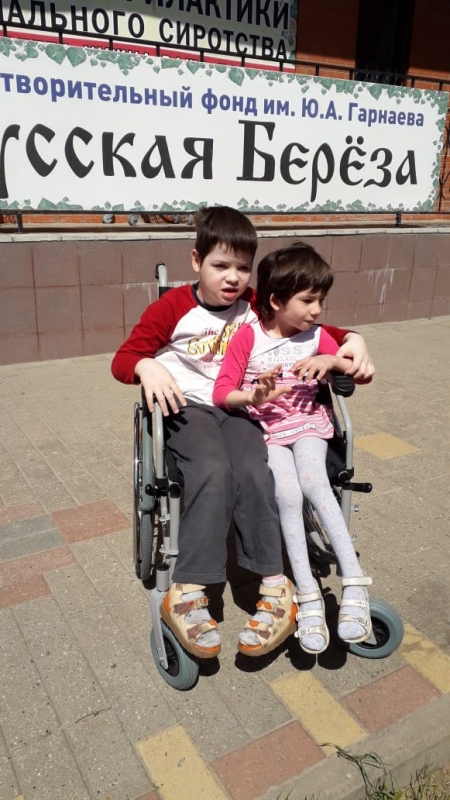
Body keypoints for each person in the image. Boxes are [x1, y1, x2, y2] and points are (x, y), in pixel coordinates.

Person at [111, 208, 374, 660]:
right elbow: (123, 359)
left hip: (240, 408)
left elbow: (308, 327)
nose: (232, 277)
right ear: (196, 261)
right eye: (220, 265)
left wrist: (353, 338)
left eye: (242, 267)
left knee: (257, 469)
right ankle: (188, 587)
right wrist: (146, 365)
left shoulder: (254, 303)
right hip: (189, 408)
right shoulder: (171, 309)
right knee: (213, 469)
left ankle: (274, 586)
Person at [213, 242, 372, 654]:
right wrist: (253, 395)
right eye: (308, 300)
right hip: (267, 429)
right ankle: (307, 593)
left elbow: (357, 372)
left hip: (309, 426)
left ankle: (355, 580)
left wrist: (333, 362)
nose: (317, 310)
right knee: (286, 493)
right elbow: (221, 392)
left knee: (313, 481)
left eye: (321, 300)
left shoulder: (317, 336)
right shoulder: (247, 338)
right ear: (276, 300)